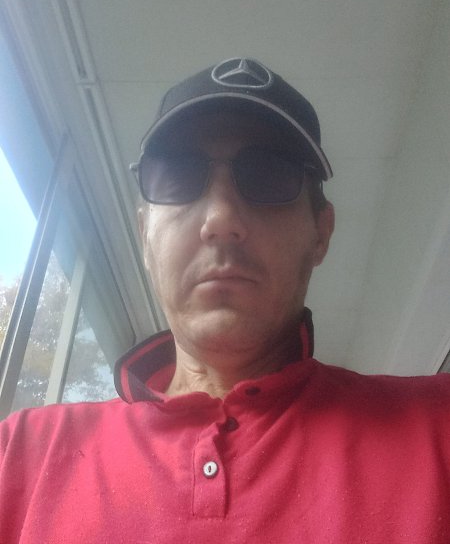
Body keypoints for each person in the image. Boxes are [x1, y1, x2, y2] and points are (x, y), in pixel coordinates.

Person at [1, 57, 449, 543]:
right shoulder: (18, 455)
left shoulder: (437, 427)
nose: (221, 218)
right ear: (144, 236)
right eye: (178, 175)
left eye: (270, 175)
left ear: (321, 233)